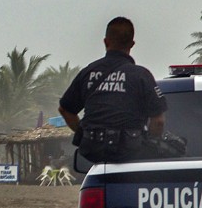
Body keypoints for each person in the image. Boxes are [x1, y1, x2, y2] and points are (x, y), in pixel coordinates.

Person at [58, 16, 168, 163]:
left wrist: (84, 134)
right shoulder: (141, 75)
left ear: (106, 41)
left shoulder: (88, 72)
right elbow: (158, 121)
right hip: (132, 157)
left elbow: (65, 109)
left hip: (94, 156)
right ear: (132, 44)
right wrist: (152, 147)